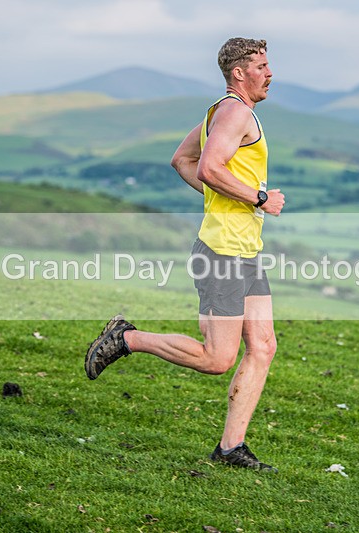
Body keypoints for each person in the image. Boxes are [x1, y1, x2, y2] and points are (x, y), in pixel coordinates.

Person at [84, 37, 285, 472]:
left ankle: (231, 448)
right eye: (262, 66)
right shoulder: (235, 113)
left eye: (269, 66)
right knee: (217, 358)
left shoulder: (219, 111)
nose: (270, 73)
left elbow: (182, 160)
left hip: (245, 250)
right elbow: (209, 167)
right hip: (222, 252)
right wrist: (258, 197)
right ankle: (126, 338)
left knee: (263, 346)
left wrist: (231, 200)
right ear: (239, 73)